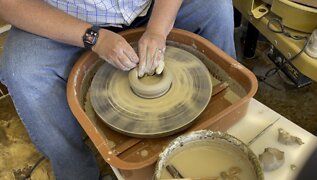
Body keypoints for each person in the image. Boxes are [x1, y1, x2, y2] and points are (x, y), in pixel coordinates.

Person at [0, 0, 236, 179]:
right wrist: (94, 39)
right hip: (68, 20)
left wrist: (158, 29)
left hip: (148, 7)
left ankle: (226, 128)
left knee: (216, 7)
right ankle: (76, 171)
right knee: (21, 68)